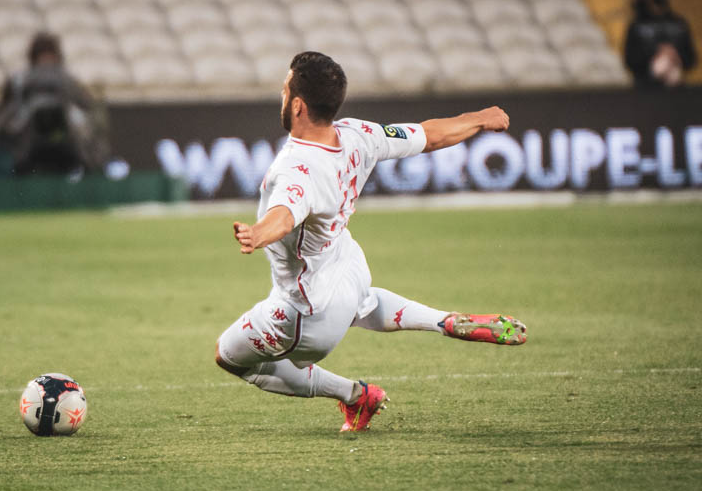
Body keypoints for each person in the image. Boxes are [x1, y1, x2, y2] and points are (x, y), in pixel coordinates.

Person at [214, 51, 527, 432]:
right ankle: (442, 321)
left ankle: (354, 395)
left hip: (306, 313)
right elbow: (428, 135)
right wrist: (479, 118)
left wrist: (258, 233)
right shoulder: (358, 134)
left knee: (230, 357)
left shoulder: (297, 167)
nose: (282, 96)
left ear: (297, 105)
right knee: (363, 303)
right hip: (350, 267)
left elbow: (285, 213)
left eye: (284, 90)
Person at [0, 32, 108, 177]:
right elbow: (4, 120)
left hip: (64, 148)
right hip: (26, 149)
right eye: (43, 57)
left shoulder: (66, 82)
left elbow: (90, 114)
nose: (46, 66)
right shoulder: (20, 83)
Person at [623, 0, 697, 88]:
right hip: (645, 88)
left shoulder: (679, 23)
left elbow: (691, 58)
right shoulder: (637, 24)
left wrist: (674, 55)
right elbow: (629, 59)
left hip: (676, 86)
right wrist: (655, 54)